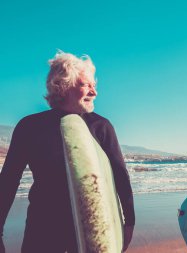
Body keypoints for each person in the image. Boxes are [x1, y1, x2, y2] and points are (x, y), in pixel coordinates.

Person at [0, 51, 135, 253]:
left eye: (94, 86)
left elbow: (119, 177)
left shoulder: (101, 126)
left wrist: (128, 222)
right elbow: (9, 180)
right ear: (62, 86)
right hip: (42, 227)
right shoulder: (30, 127)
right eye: (86, 85)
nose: (94, 92)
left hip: (90, 227)